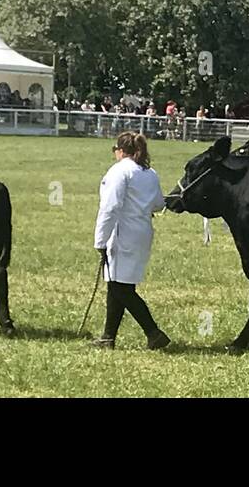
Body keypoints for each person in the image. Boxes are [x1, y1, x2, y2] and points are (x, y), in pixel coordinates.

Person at [90, 131, 170, 350]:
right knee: (118, 284)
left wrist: (100, 240)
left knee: (121, 289)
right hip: (142, 231)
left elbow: (110, 207)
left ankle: (153, 332)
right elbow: (158, 204)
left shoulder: (119, 171)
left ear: (121, 151)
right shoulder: (150, 173)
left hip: (122, 233)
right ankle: (108, 337)